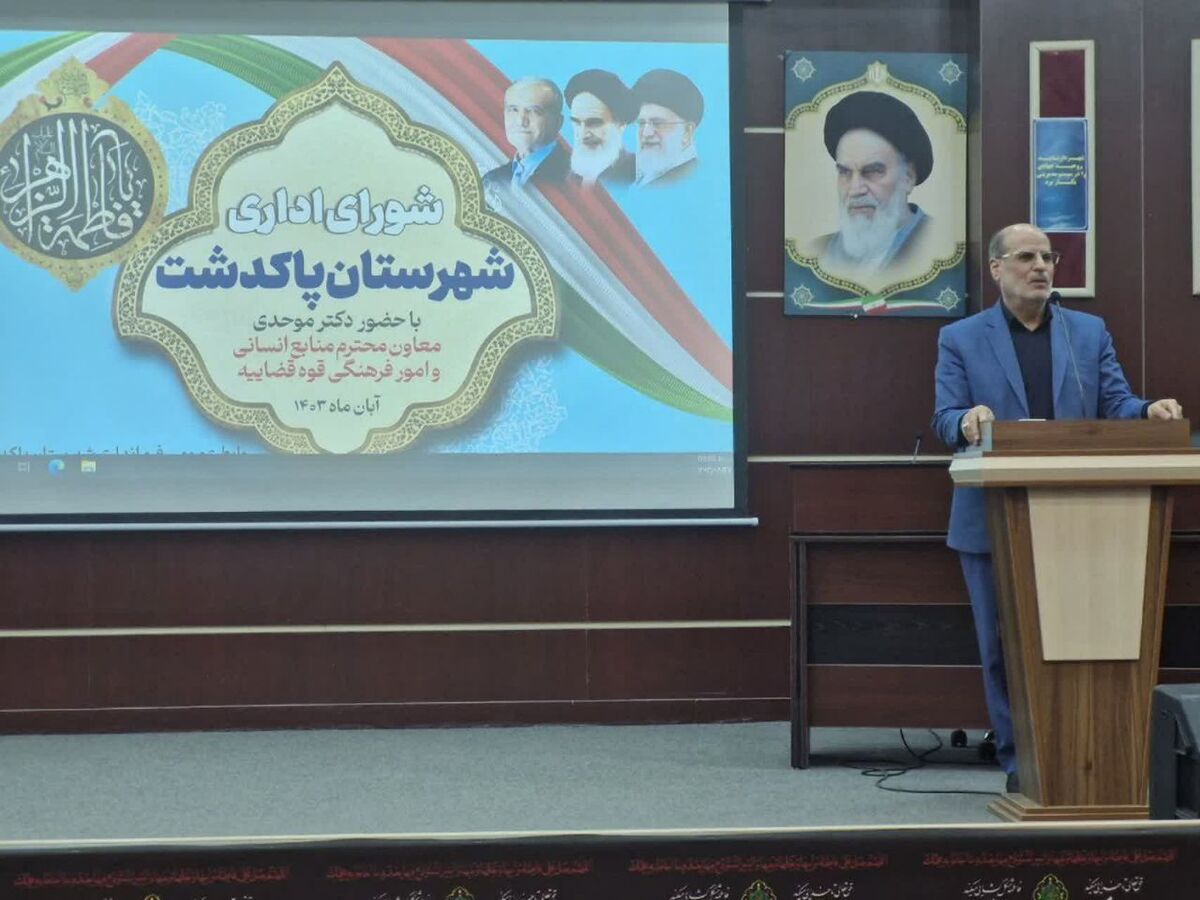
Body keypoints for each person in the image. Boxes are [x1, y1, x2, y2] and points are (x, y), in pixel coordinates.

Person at [931, 222, 1183, 793]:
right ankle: (1021, 765)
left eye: (1048, 257)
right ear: (996, 268)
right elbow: (944, 418)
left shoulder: (1085, 333)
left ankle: (1087, 759)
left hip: (1081, 518)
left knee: (1081, 641)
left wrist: (1148, 411)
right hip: (994, 519)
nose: (1041, 267)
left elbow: (1116, 403)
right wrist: (967, 419)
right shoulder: (961, 338)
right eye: (1026, 257)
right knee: (1003, 648)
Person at [808, 91, 936, 277]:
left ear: (908, 178)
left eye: (873, 172)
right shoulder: (819, 252)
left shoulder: (937, 244)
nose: (855, 190)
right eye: (845, 172)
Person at [483, 77, 569, 190]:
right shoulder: (492, 179)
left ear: (557, 122)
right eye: (514, 110)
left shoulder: (573, 178)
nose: (521, 121)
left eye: (534, 111)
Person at [631, 69, 703, 187]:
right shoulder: (642, 178)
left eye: (657, 123)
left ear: (687, 132)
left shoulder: (691, 181)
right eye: (641, 123)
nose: (646, 133)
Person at [564, 69, 635, 188]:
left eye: (593, 123)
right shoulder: (569, 176)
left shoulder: (636, 175)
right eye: (577, 123)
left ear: (621, 124)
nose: (582, 134)